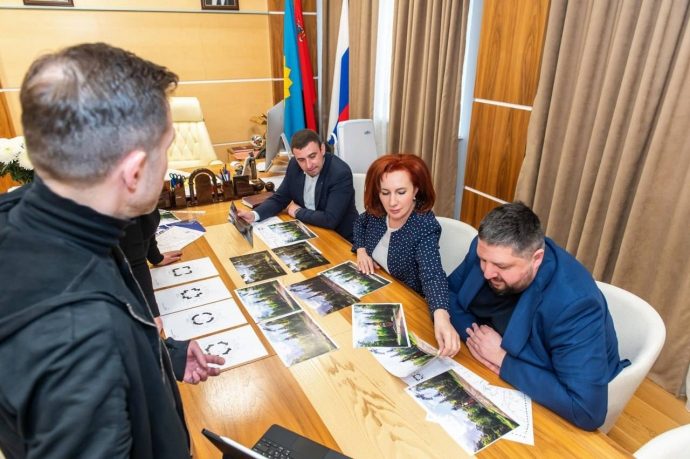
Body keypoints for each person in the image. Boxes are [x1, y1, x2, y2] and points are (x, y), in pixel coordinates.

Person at [0, 43, 224, 458]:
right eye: (166, 148)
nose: (167, 163)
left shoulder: (29, 218)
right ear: (134, 172)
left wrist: (162, 354)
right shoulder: (79, 340)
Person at [447, 202, 628, 430]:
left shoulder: (575, 305)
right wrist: (477, 338)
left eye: (501, 266)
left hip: (547, 396)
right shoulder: (487, 249)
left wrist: (502, 359)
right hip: (488, 369)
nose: (487, 272)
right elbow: (448, 293)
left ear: (537, 258)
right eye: (483, 260)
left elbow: (587, 410)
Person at [352, 154, 460, 357]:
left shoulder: (424, 226)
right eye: (385, 193)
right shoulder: (378, 211)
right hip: (378, 292)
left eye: (401, 192)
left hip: (407, 304)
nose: (392, 202)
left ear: (416, 190)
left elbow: (432, 274)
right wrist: (361, 249)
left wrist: (441, 316)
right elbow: (359, 223)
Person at [237, 129, 358, 241]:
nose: (308, 165)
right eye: (301, 160)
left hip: (341, 239)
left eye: (312, 156)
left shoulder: (339, 173)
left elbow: (330, 219)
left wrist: (297, 211)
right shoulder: (294, 165)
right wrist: (254, 215)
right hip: (311, 230)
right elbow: (279, 199)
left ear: (322, 149)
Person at [119, 208, 182, 330]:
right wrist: (150, 310)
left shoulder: (145, 202)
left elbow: (146, 225)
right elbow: (134, 262)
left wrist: (155, 257)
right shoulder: (123, 205)